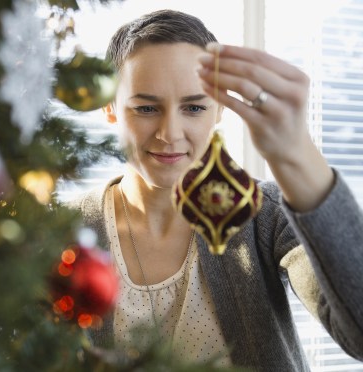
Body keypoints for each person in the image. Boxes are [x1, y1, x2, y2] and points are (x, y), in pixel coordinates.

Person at [66, 9, 363, 371]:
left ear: (219, 108)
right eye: (146, 108)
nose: (169, 134)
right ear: (110, 106)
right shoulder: (62, 232)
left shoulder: (264, 216)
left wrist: (298, 156)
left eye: (193, 107)